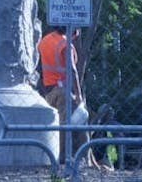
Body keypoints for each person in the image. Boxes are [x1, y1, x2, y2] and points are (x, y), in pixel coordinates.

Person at [36, 26, 97, 166]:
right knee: (73, 126)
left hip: (49, 91)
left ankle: (58, 156)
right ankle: (75, 159)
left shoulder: (45, 41)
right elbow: (72, 71)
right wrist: (79, 95)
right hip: (63, 92)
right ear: (73, 30)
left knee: (57, 125)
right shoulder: (65, 45)